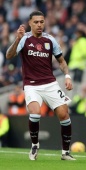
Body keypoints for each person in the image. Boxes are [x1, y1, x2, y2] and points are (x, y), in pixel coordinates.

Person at [6, 11, 75, 161]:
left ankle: (65, 152)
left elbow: (61, 61)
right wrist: (17, 40)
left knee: (64, 114)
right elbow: (9, 56)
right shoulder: (24, 39)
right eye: (36, 22)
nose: (39, 25)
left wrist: (67, 76)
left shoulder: (50, 40)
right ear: (30, 23)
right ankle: (35, 145)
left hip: (50, 83)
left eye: (42, 22)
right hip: (31, 85)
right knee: (35, 113)